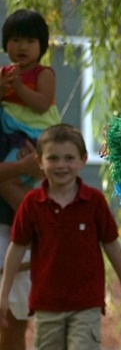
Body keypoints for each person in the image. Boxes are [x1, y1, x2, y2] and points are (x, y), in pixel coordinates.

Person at [0, 123, 121, 349]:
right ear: (39, 161)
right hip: (46, 304)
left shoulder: (94, 201)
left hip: (85, 304)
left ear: (82, 160)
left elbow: (111, 245)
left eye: (69, 158)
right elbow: (17, 248)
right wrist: (3, 295)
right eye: (53, 158)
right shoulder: (32, 204)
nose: (61, 165)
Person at [0, 8, 61, 188]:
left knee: (7, 180)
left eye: (30, 41)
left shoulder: (43, 74)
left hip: (34, 136)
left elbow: (42, 105)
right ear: (5, 44)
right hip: (12, 137)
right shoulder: (4, 74)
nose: (22, 47)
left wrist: (18, 87)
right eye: (16, 40)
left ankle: (31, 214)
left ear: (41, 46)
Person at [0, 141, 40, 350]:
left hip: (15, 230)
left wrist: (39, 167)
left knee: (13, 321)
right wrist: (21, 168)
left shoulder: (15, 115)